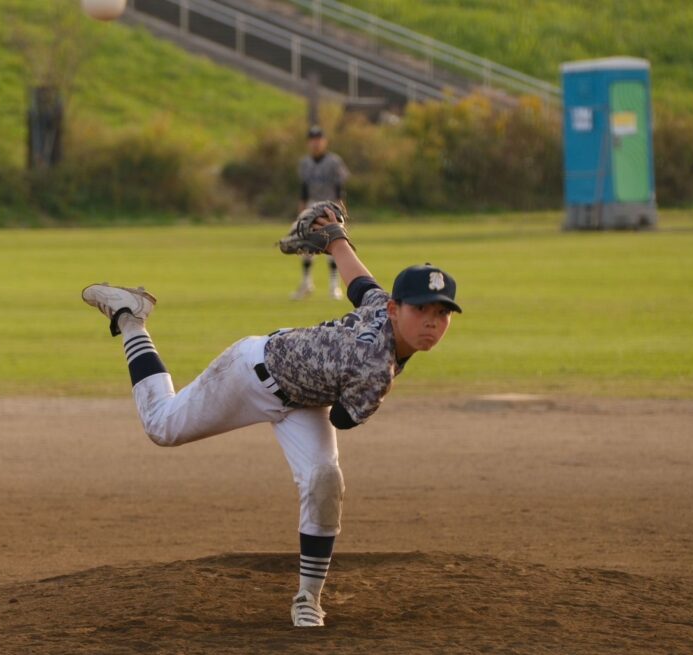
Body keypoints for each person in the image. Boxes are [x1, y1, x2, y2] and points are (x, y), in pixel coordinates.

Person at [80, 207, 461, 628]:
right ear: (395, 309)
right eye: (422, 310)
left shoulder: (379, 307)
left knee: (323, 479)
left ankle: (307, 600)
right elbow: (342, 419)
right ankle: (130, 317)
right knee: (161, 426)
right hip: (252, 373)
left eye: (442, 313)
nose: (431, 322)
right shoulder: (375, 370)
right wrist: (342, 375)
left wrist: (335, 238)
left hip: (303, 395)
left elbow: (360, 282)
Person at [294, 125, 350, 300]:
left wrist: (341, 211)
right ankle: (306, 283)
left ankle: (334, 286)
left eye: (319, 139)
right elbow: (303, 189)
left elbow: (340, 188)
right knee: (306, 247)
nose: (316, 143)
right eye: (313, 140)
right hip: (311, 206)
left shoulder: (334, 162)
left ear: (324, 141)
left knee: (332, 245)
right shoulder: (304, 163)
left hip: (330, 205)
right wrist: (301, 212)